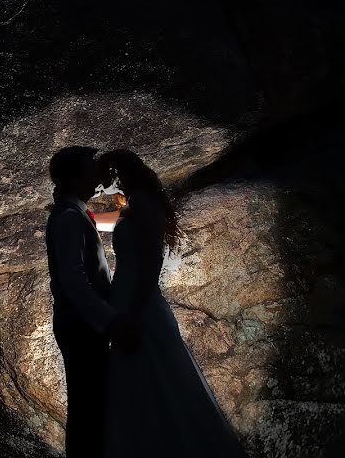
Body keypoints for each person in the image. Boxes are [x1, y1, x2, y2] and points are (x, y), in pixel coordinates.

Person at [95, 149, 249, 458]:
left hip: (140, 303)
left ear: (116, 175)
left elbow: (152, 261)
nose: (99, 185)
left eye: (103, 177)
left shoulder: (144, 204)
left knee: (161, 384)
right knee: (142, 384)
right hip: (128, 300)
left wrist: (136, 313)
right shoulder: (133, 203)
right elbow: (105, 217)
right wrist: (74, 209)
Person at [45, 146, 134, 458]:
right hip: (81, 327)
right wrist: (108, 319)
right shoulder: (69, 218)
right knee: (88, 409)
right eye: (88, 170)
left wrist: (123, 179)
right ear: (71, 179)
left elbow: (121, 205)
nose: (95, 177)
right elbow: (72, 279)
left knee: (91, 406)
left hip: (82, 325)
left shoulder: (77, 210)